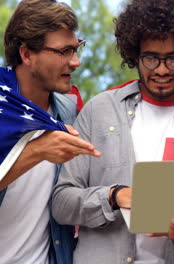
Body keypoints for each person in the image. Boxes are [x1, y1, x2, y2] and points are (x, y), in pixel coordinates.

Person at [51, 0, 174, 263]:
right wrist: (113, 196)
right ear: (135, 55)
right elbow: (61, 202)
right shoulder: (98, 111)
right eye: (151, 58)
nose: (161, 69)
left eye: (173, 58)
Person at [0, 0, 100, 263]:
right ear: (26, 54)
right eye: (64, 51)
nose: (75, 62)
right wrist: (37, 151)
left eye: (77, 49)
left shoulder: (68, 113)